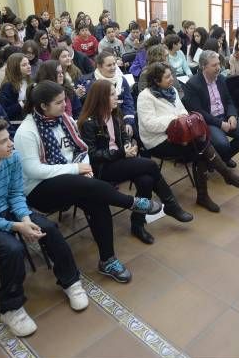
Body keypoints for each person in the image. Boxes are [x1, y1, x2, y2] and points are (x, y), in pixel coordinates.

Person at [0, 118, 89, 337]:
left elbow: (15, 193)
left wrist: (24, 218)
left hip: (5, 209)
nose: (11, 143)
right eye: (4, 141)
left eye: (9, 138)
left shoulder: (11, 157)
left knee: (48, 229)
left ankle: (70, 281)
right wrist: (16, 226)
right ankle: (11, 308)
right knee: (12, 249)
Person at [14, 81, 162, 283]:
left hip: (74, 179)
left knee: (97, 200)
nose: (65, 106)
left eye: (64, 101)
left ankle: (107, 260)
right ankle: (131, 203)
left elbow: (81, 150)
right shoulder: (27, 131)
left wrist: (82, 169)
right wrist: (76, 169)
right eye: (59, 103)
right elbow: (34, 170)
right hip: (40, 188)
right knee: (89, 187)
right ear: (43, 107)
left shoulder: (64, 119)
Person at [79, 80, 194, 244]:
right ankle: (170, 204)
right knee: (151, 165)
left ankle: (137, 224)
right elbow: (91, 155)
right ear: (100, 98)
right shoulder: (88, 123)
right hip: (103, 168)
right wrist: (121, 152)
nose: (116, 96)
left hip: (121, 160)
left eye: (115, 92)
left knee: (146, 180)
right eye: (111, 94)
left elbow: (124, 137)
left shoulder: (114, 114)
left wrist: (129, 146)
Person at [137, 62, 239, 213]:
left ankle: (210, 190)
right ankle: (223, 178)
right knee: (200, 148)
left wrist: (180, 119)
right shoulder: (145, 97)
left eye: (172, 75)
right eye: (168, 76)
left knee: (200, 147)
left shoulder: (172, 91)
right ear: (156, 80)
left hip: (179, 134)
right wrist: (175, 120)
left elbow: (183, 111)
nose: (172, 79)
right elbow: (149, 124)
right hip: (157, 141)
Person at [185, 50, 239, 165]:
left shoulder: (221, 79)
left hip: (225, 116)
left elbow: (229, 100)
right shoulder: (192, 85)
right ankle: (219, 159)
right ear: (204, 67)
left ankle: (219, 160)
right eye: (214, 65)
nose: (219, 67)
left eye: (219, 63)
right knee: (223, 144)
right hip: (208, 121)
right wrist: (220, 124)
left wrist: (232, 115)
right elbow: (199, 112)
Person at [82, 50, 136, 132]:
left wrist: (128, 122)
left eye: (114, 64)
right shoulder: (93, 84)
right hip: (102, 123)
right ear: (99, 67)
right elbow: (93, 109)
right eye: (109, 65)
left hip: (123, 119)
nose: (113, 68)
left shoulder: (121, 79)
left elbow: (128, 101)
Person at [0, 52, 32, 122]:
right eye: (24, 65)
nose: (29, 66)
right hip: (16, 123)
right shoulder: (8, 86)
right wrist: (24, 103)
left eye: (28, 63)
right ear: (15, 68)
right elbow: (6, 112)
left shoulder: (29, 81)